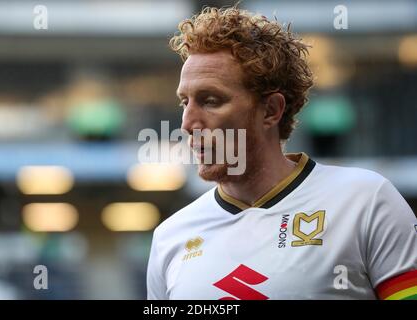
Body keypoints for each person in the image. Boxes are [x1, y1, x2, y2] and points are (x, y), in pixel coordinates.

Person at [146, 6, 417, 300]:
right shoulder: (170, 237)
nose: (187, 124)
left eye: (210, 101)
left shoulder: (366, 201)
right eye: (184, 102)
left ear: (271, 110)